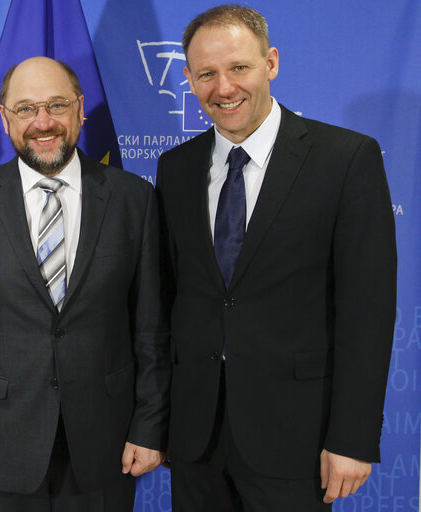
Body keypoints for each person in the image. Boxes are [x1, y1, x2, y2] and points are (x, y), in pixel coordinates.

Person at [156, 5, 396, 511]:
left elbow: (367, 313)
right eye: (206, 74)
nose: (223, 88)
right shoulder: (174, 169)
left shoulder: (346, 159)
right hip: (196, 439)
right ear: (189, 79)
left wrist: (351, 438)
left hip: (298, 441)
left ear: (272, 63)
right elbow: (171, 301)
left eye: (238, 67)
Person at [0, 56, 168, 511]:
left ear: (80, 109)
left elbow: (151, 328)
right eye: (25, 109)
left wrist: (149, 426)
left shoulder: (133, 198)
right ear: (4, 118)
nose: (43, 122)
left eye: (57, 105)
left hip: (107, 441)